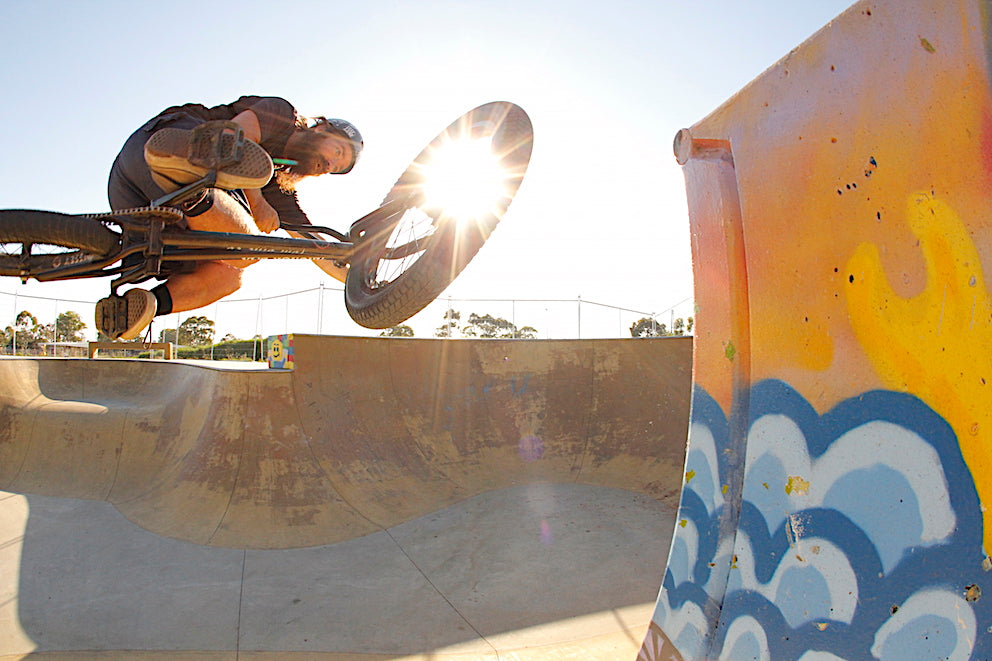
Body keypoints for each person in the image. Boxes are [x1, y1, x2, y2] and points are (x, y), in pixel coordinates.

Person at [97, 95, 363, 340]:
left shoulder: (279, 188)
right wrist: (257, 205)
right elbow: (237, 133)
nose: (329, 166)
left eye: (334, 169)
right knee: (247, 241)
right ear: (321, 128)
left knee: (231, 273)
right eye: (337, 152)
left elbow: (315, 248)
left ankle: (144, 305)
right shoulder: (282, 115)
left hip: (138, 207)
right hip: (166, 142)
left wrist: (359, 282)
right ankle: (188, 180)